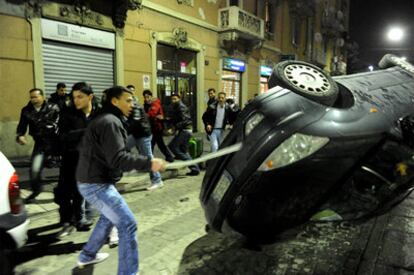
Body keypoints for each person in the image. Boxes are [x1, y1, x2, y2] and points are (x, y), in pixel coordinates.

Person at [75, 86, 167, 273]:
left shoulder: (107, 118)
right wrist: (149, 163)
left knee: (107, 219)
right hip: (95, 184)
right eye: (127, 100)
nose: (132, 104)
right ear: (114, 101)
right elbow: (118, 158)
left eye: (132, 100)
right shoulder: (110, 122)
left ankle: (87, 255)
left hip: (92, 180)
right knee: (127, 224)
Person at [55, 82, 98, 237]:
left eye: (80, 97)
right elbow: (62, 137)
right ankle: (66, 221)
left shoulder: (99, 114)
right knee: (64, 193)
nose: (76, 100)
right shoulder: (68, 114)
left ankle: (80, 219)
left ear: (90, 97)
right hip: (70, 160)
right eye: (74, 97)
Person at [16, 88, 60, 203]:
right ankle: (36, 190)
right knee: (35, 169)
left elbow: (61, 123)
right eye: (31, 97)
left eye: (35, 97)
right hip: (40, 144)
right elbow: (22, 126)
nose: (33, 99)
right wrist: (20, 135)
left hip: (57, 142)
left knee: (65, 170)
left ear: (42, 97)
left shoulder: (53, 107)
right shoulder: (26, 110)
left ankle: (67, 193)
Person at [125, 85, 164, 191]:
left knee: (148, 158)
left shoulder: (135, 105)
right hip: (136, 134)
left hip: (143, 134)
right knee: (123, 147)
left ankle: (157, 180)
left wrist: (124, 129)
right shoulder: (129, 103)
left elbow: (135, 121)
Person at [166, 93, 200, 176]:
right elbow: (176, 118)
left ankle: (192, 165)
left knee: (173, 146)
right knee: (184, 150)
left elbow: (186, 120)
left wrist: (174, 128)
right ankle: (195, 169)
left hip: (186, 130)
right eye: (172, 99)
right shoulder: (176, 107)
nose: (173, 100)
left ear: (179, 99)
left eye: (175, 99)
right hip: (185, 130)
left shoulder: (181, 107)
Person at [143, 89, 175, 162]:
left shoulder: (155, 103)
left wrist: (144, 115)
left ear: (151, 97)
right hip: (152, 127)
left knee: (153, 143)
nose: (146, 99)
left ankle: (149, 159)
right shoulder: (147, 104)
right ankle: (169, 157)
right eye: (145, 97)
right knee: (156, 143)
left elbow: (152, 114)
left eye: (148, 97)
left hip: (157, 127)